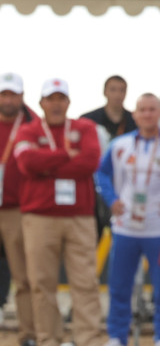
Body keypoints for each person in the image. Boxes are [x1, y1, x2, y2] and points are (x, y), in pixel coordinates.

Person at [13, 78, 104, 346]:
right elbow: (27, 164)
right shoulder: (28, 130)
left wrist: (47, 164)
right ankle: (48, 339)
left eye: (60, 98)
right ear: (41, 103)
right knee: (41, 284)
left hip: (79, 217)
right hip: (40, 217)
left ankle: (88, 339)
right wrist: (67, 154)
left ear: (68, 102)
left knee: (85, 281)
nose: (55, 104)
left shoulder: (84, 127)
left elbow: (89, 162)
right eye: (50, 99)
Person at [96, 93, 160, 346]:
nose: (148, 114)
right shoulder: (120, 145)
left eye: (152, 109)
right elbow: (102, 174)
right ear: (135, 114)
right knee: (119, 285)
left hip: (158, 228)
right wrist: (111, 200)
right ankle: (117, 336)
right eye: (143, 110)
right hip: (126, 226)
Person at [0, 72, 39, 346]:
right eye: (4, 94)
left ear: (22, 96)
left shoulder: (34, 124)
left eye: (13, 94)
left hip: (17, 209)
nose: (8, 99)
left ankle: (28, 334)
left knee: (24, 276)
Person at [81, 74, 136, 148]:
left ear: (126, 92)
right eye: (113, 90)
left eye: (122, 90)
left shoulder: (136, 121)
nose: (117, 94)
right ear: (104, 92)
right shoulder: (88, 119)